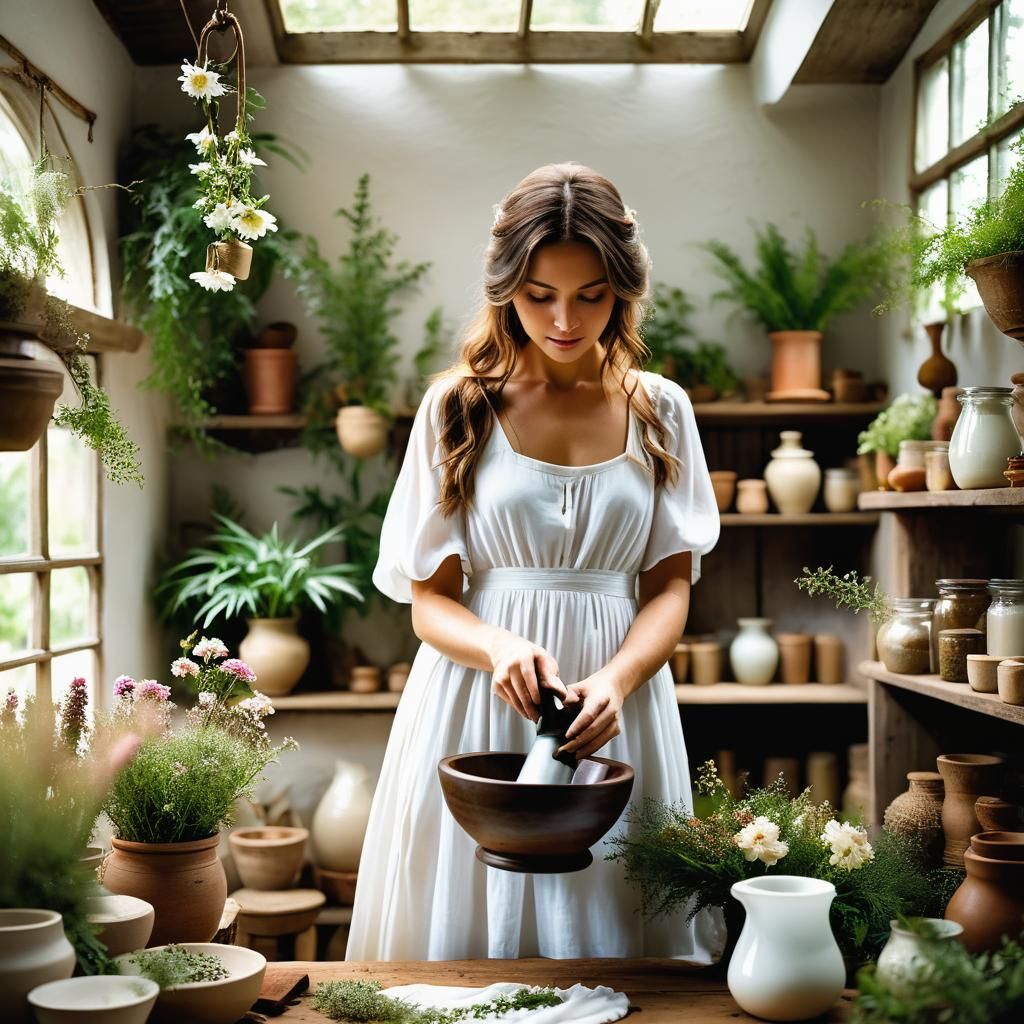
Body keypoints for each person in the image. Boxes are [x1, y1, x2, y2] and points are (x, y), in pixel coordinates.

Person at [345, 162, 721, 962]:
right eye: (539, 293)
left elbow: (669, 591)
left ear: (622, 288)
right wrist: (500, 647)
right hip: (477, 699)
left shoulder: (661, 410)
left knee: (621, 930)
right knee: (464, 940)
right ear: (505, 286)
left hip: (618, 702)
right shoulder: (459, 408)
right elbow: (429, 603)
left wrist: (617, 683)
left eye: (590, 294)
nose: (563, 318)